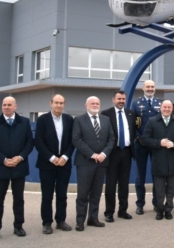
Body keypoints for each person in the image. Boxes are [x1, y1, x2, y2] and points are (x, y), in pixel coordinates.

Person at [72, 96, 115, 231]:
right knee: (83, 193)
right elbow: (77, 139)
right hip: (85, 162)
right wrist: (92, 154)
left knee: (96, 193)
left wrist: (103, 154)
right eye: (92, 103)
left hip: (101, 162)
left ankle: (93, 218)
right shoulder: (79, 120)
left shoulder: (106, 120)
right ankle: (80, 221)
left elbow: (111, 139)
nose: (95, 105)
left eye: (97, 103)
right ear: (86, 105)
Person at [35, 94, 74, 234]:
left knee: (62, 194)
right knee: (47, 195)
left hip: (64, 164)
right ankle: (46, 223)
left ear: (64, 104)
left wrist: (64, 157)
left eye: (61, 103)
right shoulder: (42, 119)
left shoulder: (69, 120)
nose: (59, 105)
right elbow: (38, 141)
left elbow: (72, 141)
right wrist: (52, 158)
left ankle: (61, 221)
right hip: (47, 164)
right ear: (51, 103)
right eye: (56, 102)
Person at [141, 100, 174, 220]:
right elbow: (145, 138)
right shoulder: (152, 121)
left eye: (169, 107)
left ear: (172, 109)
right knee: (159, 189)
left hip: (173, 160)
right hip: (158, 160)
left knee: (171, 188)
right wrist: (158, 143)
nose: (167, 109)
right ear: (161, 108)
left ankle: (168, 209)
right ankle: (160, 210)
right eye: (165, 107)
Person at [0, 97, 34, 237]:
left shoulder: (24, 122)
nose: (6, 107)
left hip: (19, 166)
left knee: (18, 199)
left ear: (15, 106)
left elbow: (29, 142)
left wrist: (20, 157)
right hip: (1, 167)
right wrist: (3, 160)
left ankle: (18, 226)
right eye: (4, 105)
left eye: (9, 105)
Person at [101, 90, 136, 222]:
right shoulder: (105, 114)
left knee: (124, 183)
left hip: (127, 152)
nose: (121, 101)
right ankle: (109, 212)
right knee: (110, 184)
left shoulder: (131, 113)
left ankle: (123, 210)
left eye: (123, 99)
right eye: (119, 99)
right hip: (112, 153)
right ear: (113, 99)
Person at [131, 80, 162, 215]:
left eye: (152, 87)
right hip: (141, 144)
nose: (150, 89)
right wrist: (139, 138)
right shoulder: (136, 104)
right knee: (140, 176)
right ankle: (140, 204)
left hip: (156, 145)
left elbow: (163, 123)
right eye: (148, 86)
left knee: (157, 175)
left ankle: (156, 203)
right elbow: (132, 124)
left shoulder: (160, 103)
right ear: (143, 88)